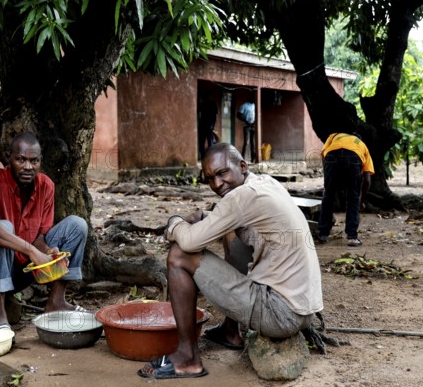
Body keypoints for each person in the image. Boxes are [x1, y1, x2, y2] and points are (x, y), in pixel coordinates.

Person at [137, 143, 323, 379]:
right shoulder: (265, 182)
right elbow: (231, 219)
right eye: (209, 179)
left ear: (242, 166)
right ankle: (231, 331)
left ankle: (187, 358)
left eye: (222, 173)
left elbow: (190, 243)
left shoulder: (240, 198)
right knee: (229, 232)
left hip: (280, 314)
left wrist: (175, 223)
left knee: (179, 255)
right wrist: (205, 217)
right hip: (302, 309)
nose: (216, 184)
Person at [0, 131, 88, 331]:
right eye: (21, 160)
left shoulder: (46, 185)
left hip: (24, 272)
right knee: (3, 227)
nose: (28, 167)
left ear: (40, 161)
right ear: (8, 158)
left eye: (34, 161)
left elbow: (40, 237)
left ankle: (56, 302)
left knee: (77, 225)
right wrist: (31, 251)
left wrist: (48, 251)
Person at [316, 132, 374, 247]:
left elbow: (323, 154)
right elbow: (367, 180)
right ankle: (352, 237)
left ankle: (322, 234)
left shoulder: (334, 136)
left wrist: (330, 179)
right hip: (354, 159)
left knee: (328, 196)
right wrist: (361, 201)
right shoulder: (362, 145)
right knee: (353, 198)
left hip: (331, 157)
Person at [197, 95, 218, 160]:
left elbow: (214, 116)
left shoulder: (203, 104)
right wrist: (213, 125)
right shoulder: (209, 104)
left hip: (205, 125)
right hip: (207, 125)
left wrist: (212, 125)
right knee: (209, 142)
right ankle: (208, 157)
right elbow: (215, 116)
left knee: (206, 142)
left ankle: (206, 157)